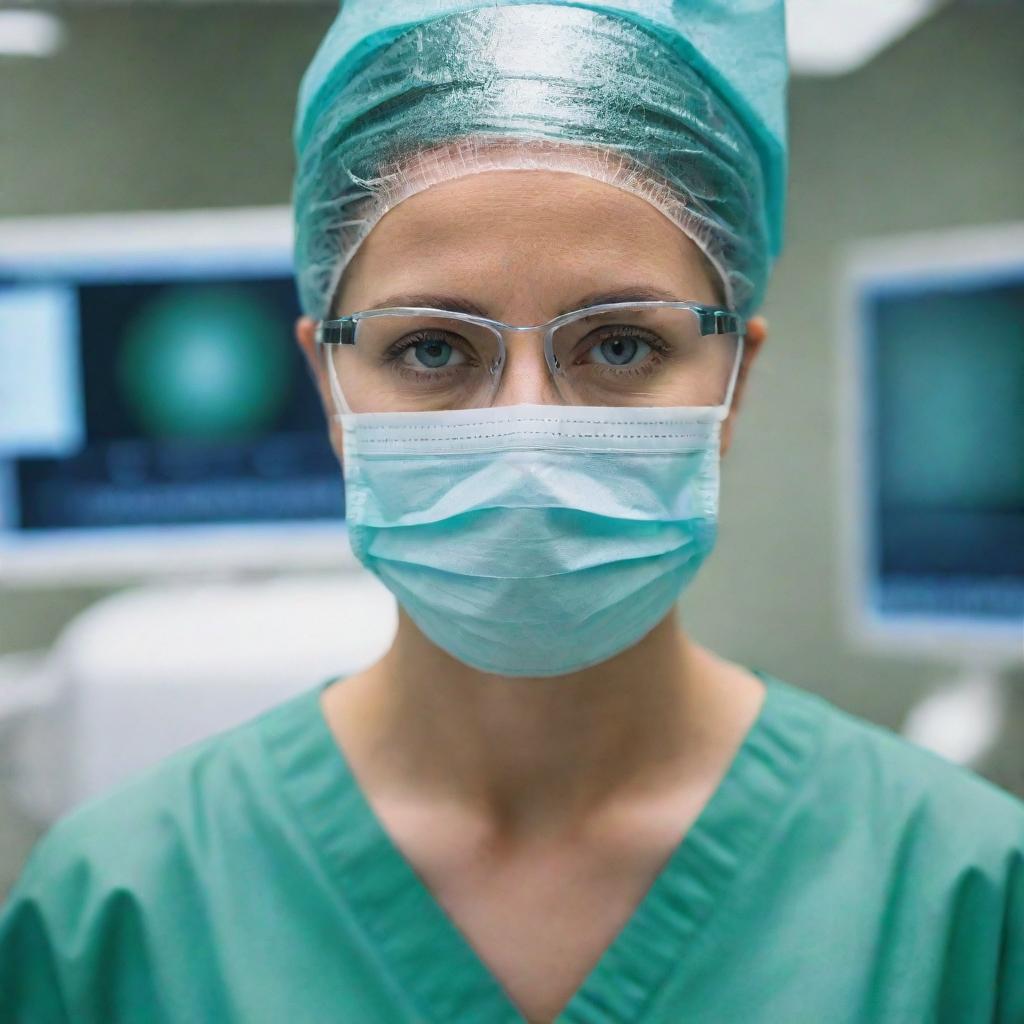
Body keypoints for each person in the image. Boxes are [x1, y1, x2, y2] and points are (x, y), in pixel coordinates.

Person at [1, 2, 1022, 1022]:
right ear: (328, 382)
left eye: (619, 345)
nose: (527, 433)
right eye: (432, 350)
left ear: (734, 377)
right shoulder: (119, 910)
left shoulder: (958, 899)